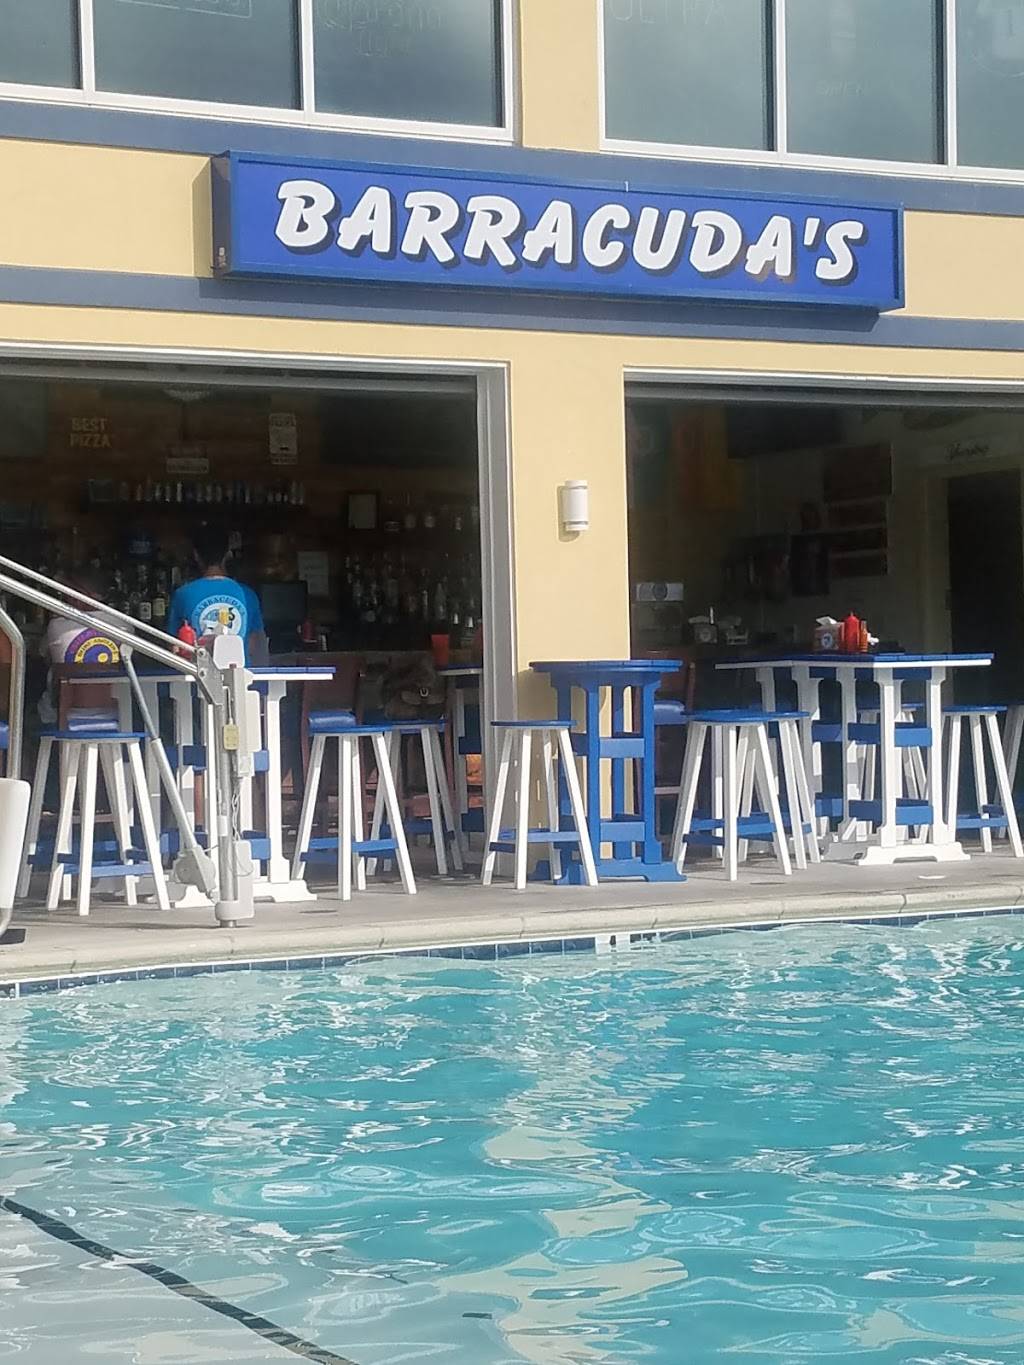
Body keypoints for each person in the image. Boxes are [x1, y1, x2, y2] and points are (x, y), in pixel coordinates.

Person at [168, 528, 267, 664]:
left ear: (196, 555)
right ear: (227, 554)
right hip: (240, 675)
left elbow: (174, 646)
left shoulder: (182, 594)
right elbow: (255, 646)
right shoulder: (247, 594)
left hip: (198, 674)